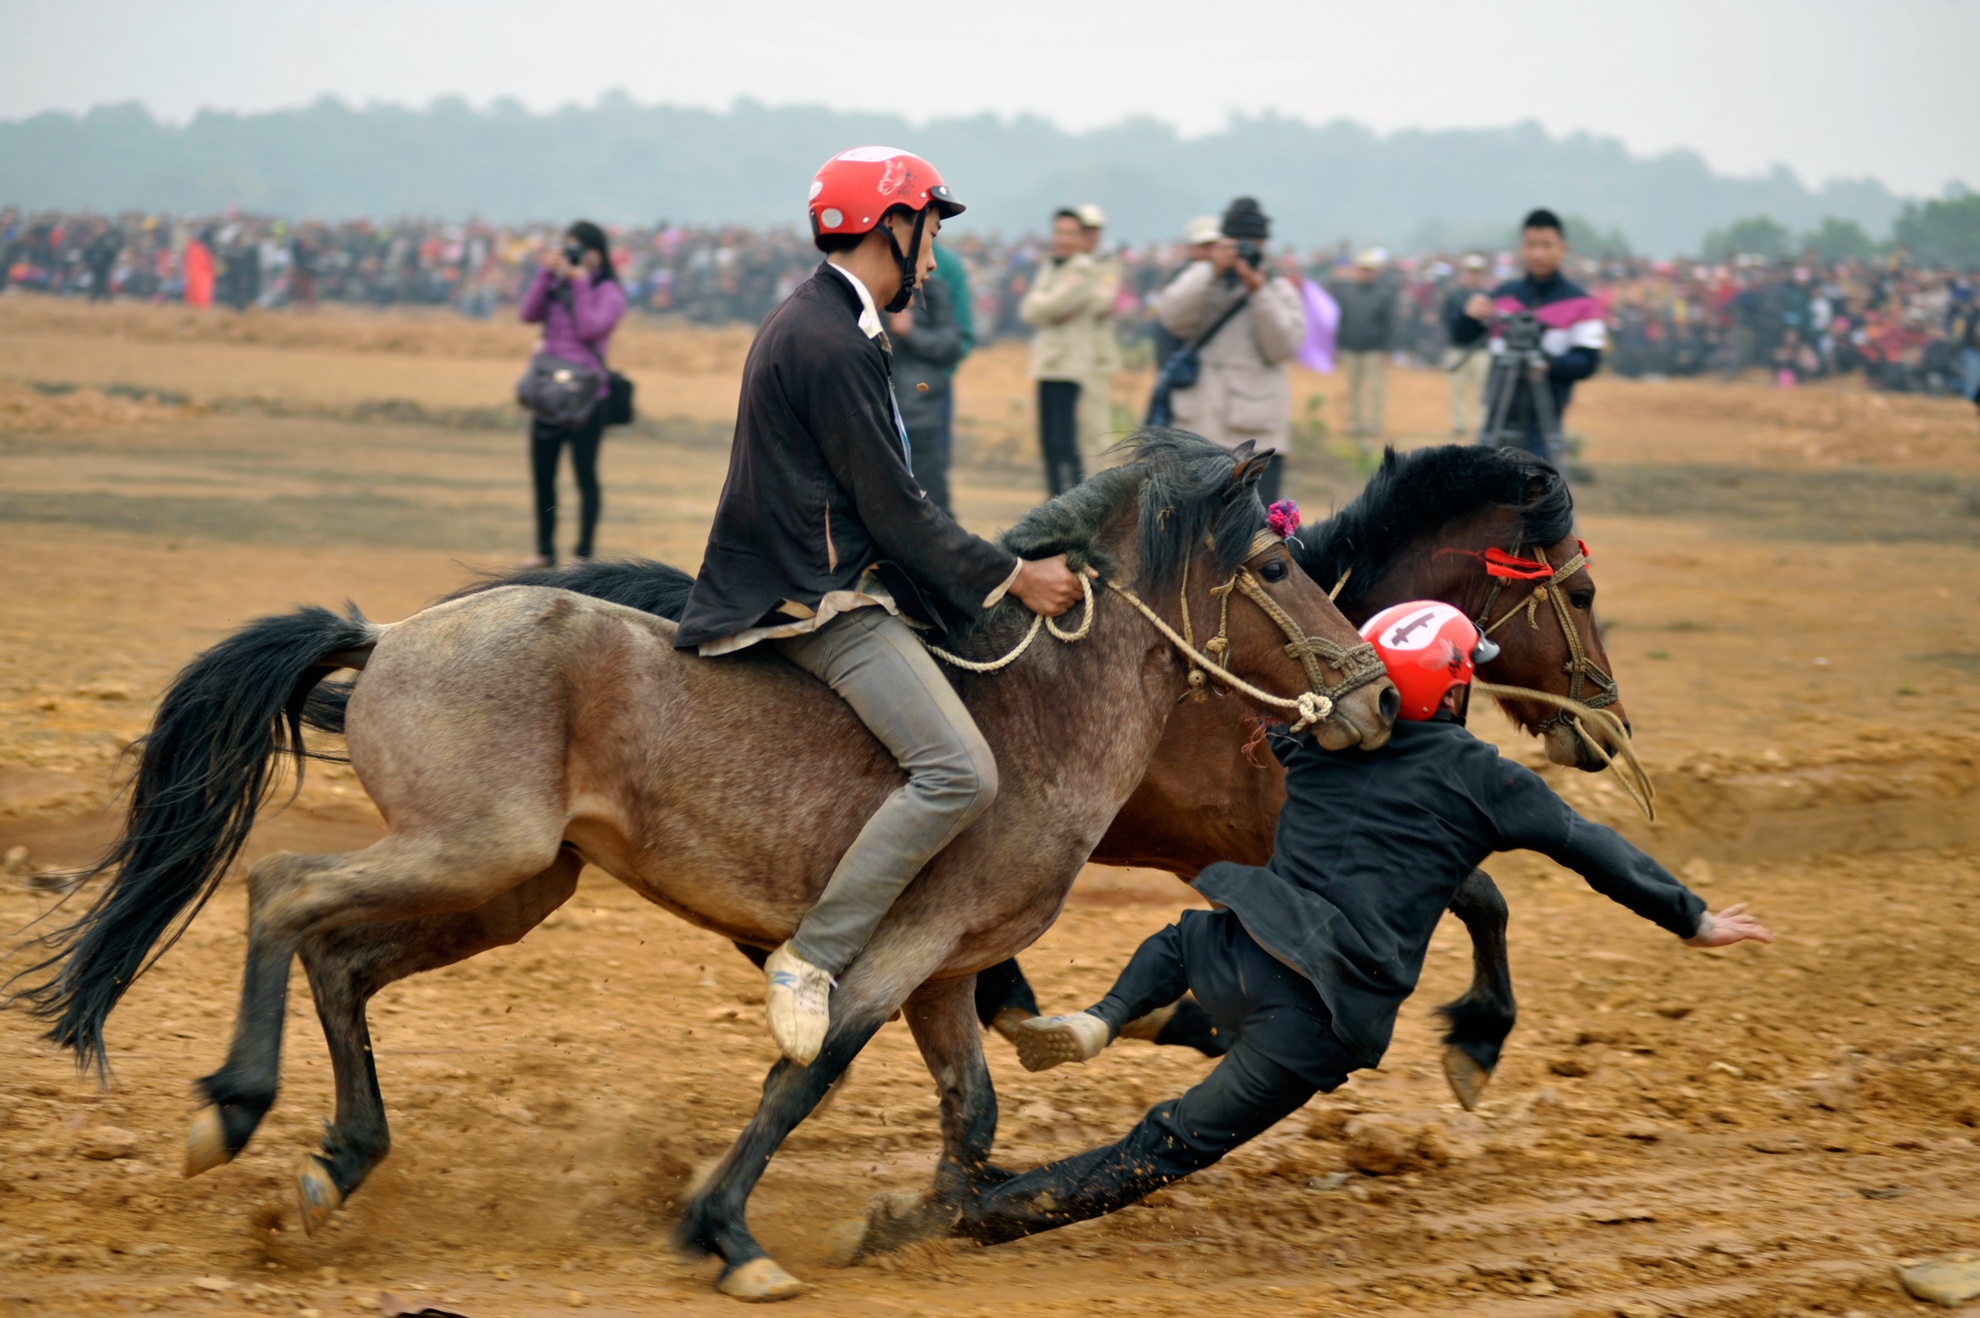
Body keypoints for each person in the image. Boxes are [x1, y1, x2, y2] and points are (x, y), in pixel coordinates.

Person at [962, 599, 1772, 1244]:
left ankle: (1106, 1017)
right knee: (1166, 1145)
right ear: (1452, 689)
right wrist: (1691, 919)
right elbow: (1595, 850)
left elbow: (1264, 689)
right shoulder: (1486, 779)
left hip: (1239, 952)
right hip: (1324, 1020)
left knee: (1177, 940)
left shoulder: (1313, 749)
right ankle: (984, 1218)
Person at [674, 147, 1084, 1065]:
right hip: (810, 600)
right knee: (959, 773)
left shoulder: (831, 323)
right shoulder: (829, 340)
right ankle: (811, 959)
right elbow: (896, 510)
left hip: (815, 577)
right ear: (890, 226)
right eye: (930, 232)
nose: (934, 258)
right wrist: (1016, 576)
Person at [1151, 197, 1306, 504]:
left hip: (1256, 432)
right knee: (1192, 530)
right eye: (1236, 242)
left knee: (1252, 534)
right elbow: (1171, 318)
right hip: (1198, 427)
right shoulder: (1201, 280)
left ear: (1263, 245)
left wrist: (1257, 290)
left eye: (1251, 243)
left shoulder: (1278, 290)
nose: (1244, 250)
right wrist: (1211, 273)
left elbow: (1282, 348)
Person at [1450, 209, 1606, 459]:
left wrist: (1548, 365)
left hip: (1544, 418)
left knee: (1539, 493)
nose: (1538, 253)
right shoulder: (1502, 295)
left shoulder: (1582, 303)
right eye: (1531, 245)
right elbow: (1462, 336)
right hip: (1498, 411)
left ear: (1562, 248)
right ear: (1521, 248)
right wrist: (1469, 314)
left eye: (1546, 245)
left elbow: (1588, 363)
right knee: (1487, 492)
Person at [518, 220, 627, 566]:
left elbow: (589, 328)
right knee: (543, 474)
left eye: (580, 249)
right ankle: (543, 550)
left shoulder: (609, 292)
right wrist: (544, 275)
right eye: (568, 248)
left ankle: (583, 554)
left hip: (588, 395)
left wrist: (579, 284)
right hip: (549, 391)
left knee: (584, 474)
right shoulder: (554, 284)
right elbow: (527, 314)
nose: (574, 255)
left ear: (598, 254)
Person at [1020, 206, 1120, 495]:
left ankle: (1084, 499)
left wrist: (1050, 306)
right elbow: (1031, 310)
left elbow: (1100, 303)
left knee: (1086, 435)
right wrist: (1051, 307)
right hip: (1052, 360)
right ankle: (1060, 498)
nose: (1090, 236)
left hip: (1083, 360)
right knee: (1053, 439)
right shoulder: (1055, 265)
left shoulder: (1093, 266)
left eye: (1093, 230)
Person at [888, 269, 965, 513]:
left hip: (919, 409)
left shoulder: (933, 290)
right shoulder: (870, 288)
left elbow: (951, 346)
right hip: (878, 408)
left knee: (931, 498)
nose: (931, 263)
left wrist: (911, 332)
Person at [1330, 249, 1396, 439]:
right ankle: (1355, 422)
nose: (1366, 273)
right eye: (1363, 269)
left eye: (1370, 269)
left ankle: (1374, 423)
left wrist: (1388, 348)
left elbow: (1390, 323)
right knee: (1353, 388)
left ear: (1376, 272)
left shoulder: (1384, 294)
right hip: (1350, 347)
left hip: (1374, 348)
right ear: (1357, 270)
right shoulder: (1346, 293)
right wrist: (1337, 346)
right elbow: (1339, 321)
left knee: (1375, 388)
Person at [1151, 216, 1223, 373]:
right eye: (1204, 246)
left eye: (1214, 245)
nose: (1209, 252)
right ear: (1192, 248)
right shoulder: (1179, 279)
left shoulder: (1227, 278)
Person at [1442, 254, 1493, 436]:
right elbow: (1448, 321)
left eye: (1477, 272)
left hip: (1482, 349)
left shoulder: (1490, 296)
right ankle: (1459, 424)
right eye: (1471, 272)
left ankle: (1482, 424)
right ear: (1465, 273)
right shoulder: (1455, 295)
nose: (1474, 276)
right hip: (1458, 348)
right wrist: (1468, 314)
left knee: (1483, 390)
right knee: (1457, 390)